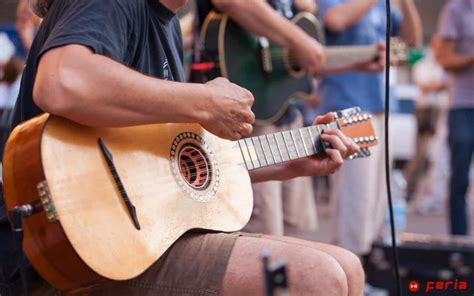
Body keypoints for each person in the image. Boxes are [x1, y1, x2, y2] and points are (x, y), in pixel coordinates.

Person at [0, 1, 364, 295]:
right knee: (319, 277)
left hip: (139, 241)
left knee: (349, 267)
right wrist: (203, 99)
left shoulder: (169, 26)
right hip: (71, 255)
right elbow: (61, 81)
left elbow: (175, 167)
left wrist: (289, 163)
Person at [194, 0, 386, 237]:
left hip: (285, 113)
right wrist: (299, 40)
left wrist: (355, 62)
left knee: (292, 233)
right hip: (245, 116)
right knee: (265, 238)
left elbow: (293, 61)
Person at [317, 0, 422, 257]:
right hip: (348, 105)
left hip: (380, 106)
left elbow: (412, 42)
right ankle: (346, 268)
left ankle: (363, 268)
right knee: (356, 197)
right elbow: (335, 20)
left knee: (375, 200)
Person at [436, 0, 474, 236]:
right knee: (459, 177)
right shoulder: (457, 8)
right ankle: (459, 245)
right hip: (463, 105)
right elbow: (445, 59)